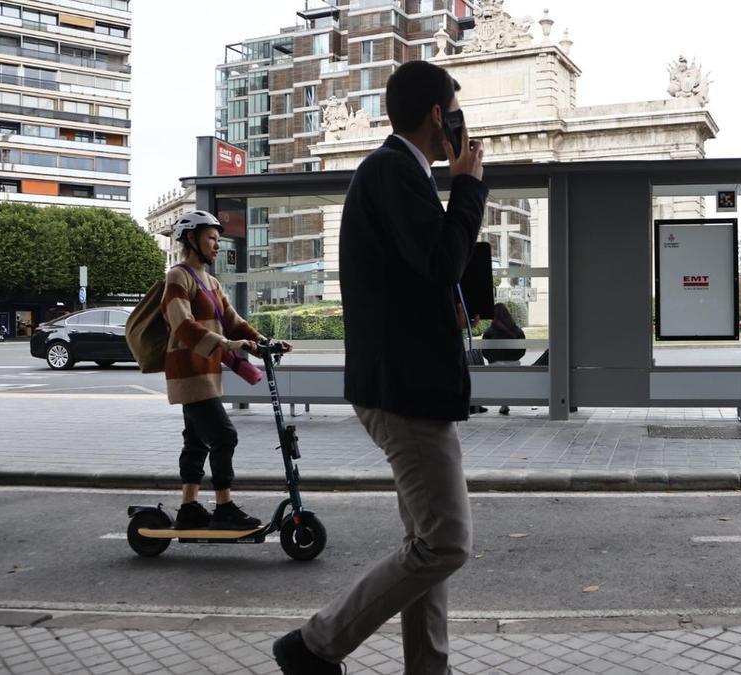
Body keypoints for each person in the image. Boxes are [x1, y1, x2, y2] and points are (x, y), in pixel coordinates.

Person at [273, 60, 487, 675]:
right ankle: (314, 644)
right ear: (438, 116)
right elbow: (443, 263)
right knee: (447, 542)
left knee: (424, 542)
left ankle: (428, 668)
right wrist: (467, 185)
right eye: (454, 110)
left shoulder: (396, 173)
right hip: (406, 391)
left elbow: (428, 272)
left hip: (407, 385)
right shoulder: (395, 171)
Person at [160, 210, 288, 530]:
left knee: (196, 440)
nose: (217, 245)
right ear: (191, 239)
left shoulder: (212, 282)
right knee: (224, 436)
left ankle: (189, 507)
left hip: (206, 370)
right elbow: (183, 326)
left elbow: (233, 321)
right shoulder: (178, 277)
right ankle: (224, 507)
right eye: (211, 238)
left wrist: (263, 341)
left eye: (219, 239)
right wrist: (231, 346)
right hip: (189, 370)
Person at [482, 303, 526, 415]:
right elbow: (522, 351)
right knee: (507, 374)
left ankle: (503, 403)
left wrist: (494, 359)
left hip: (495, 366)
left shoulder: (489, 333)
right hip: (514, 365)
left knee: (500, 372)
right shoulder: (517, 331)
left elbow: (484, 352)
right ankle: (504, 404)